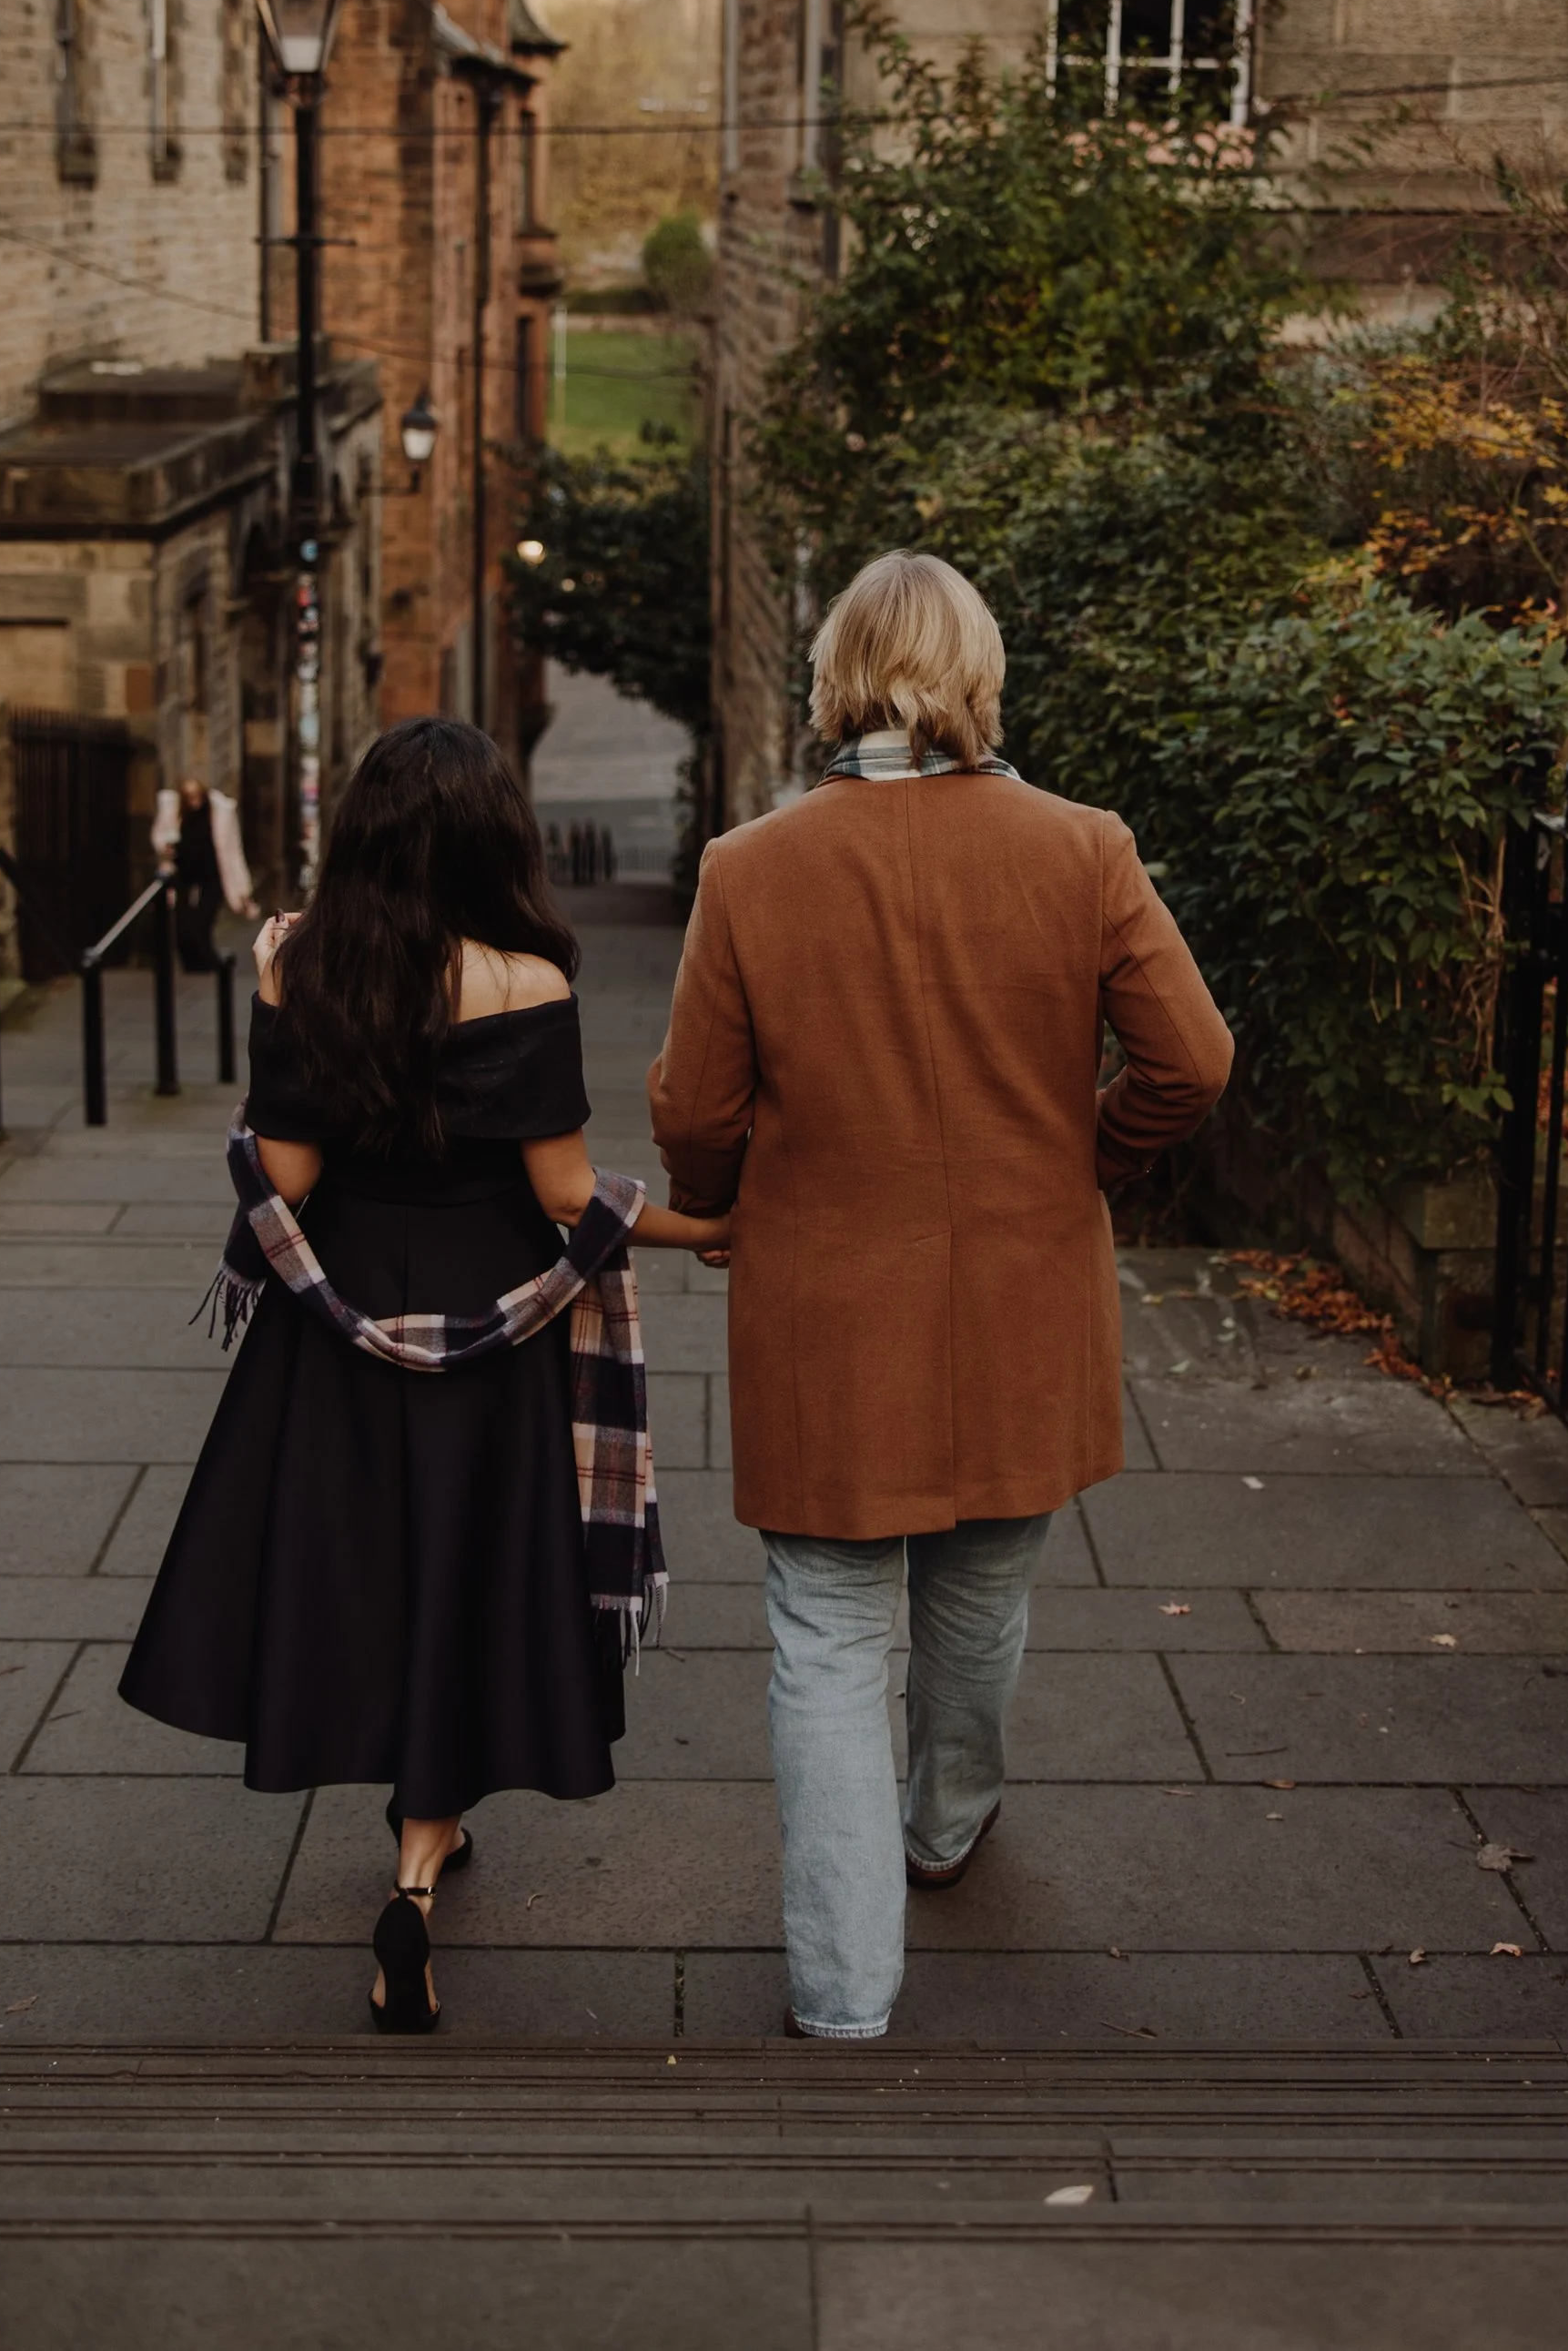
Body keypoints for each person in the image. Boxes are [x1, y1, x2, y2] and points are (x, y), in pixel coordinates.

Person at [648, 550, 1233, 2042]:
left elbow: (698, 1109)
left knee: (829, 1639)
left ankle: (845, 1997)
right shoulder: (1082, 847)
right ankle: (945, 1826)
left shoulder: (749, 870)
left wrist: (717, 1204)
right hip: (1022, 1307)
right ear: (976, 676)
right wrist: (1077, 1161)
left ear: (836, 677)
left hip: (830, 1318)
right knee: (982, 1591)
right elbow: (1194, 1061)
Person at [119, 715, 729, 2033]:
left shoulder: (298, 966)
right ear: (493, 837)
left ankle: (413, 1845)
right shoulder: (528, 981)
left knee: (370, 1579)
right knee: (460, 1584)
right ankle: (415, 1867)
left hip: (334, 1331)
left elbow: (281, 1178)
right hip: (492, 1329)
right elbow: (569, 1196)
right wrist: (700, 1227)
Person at [152, 775, 256, 974]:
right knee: (182, 924)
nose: (194, 802)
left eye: (197, 796)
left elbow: (233, 850)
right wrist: (167, 846)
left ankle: (213, 963)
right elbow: (159, 835)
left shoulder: (219, 813)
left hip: (212, 875)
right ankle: (192, 964)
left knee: (202, 922)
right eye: (189, 797)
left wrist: (243, 888)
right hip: (183, 875)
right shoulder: (175, 813)